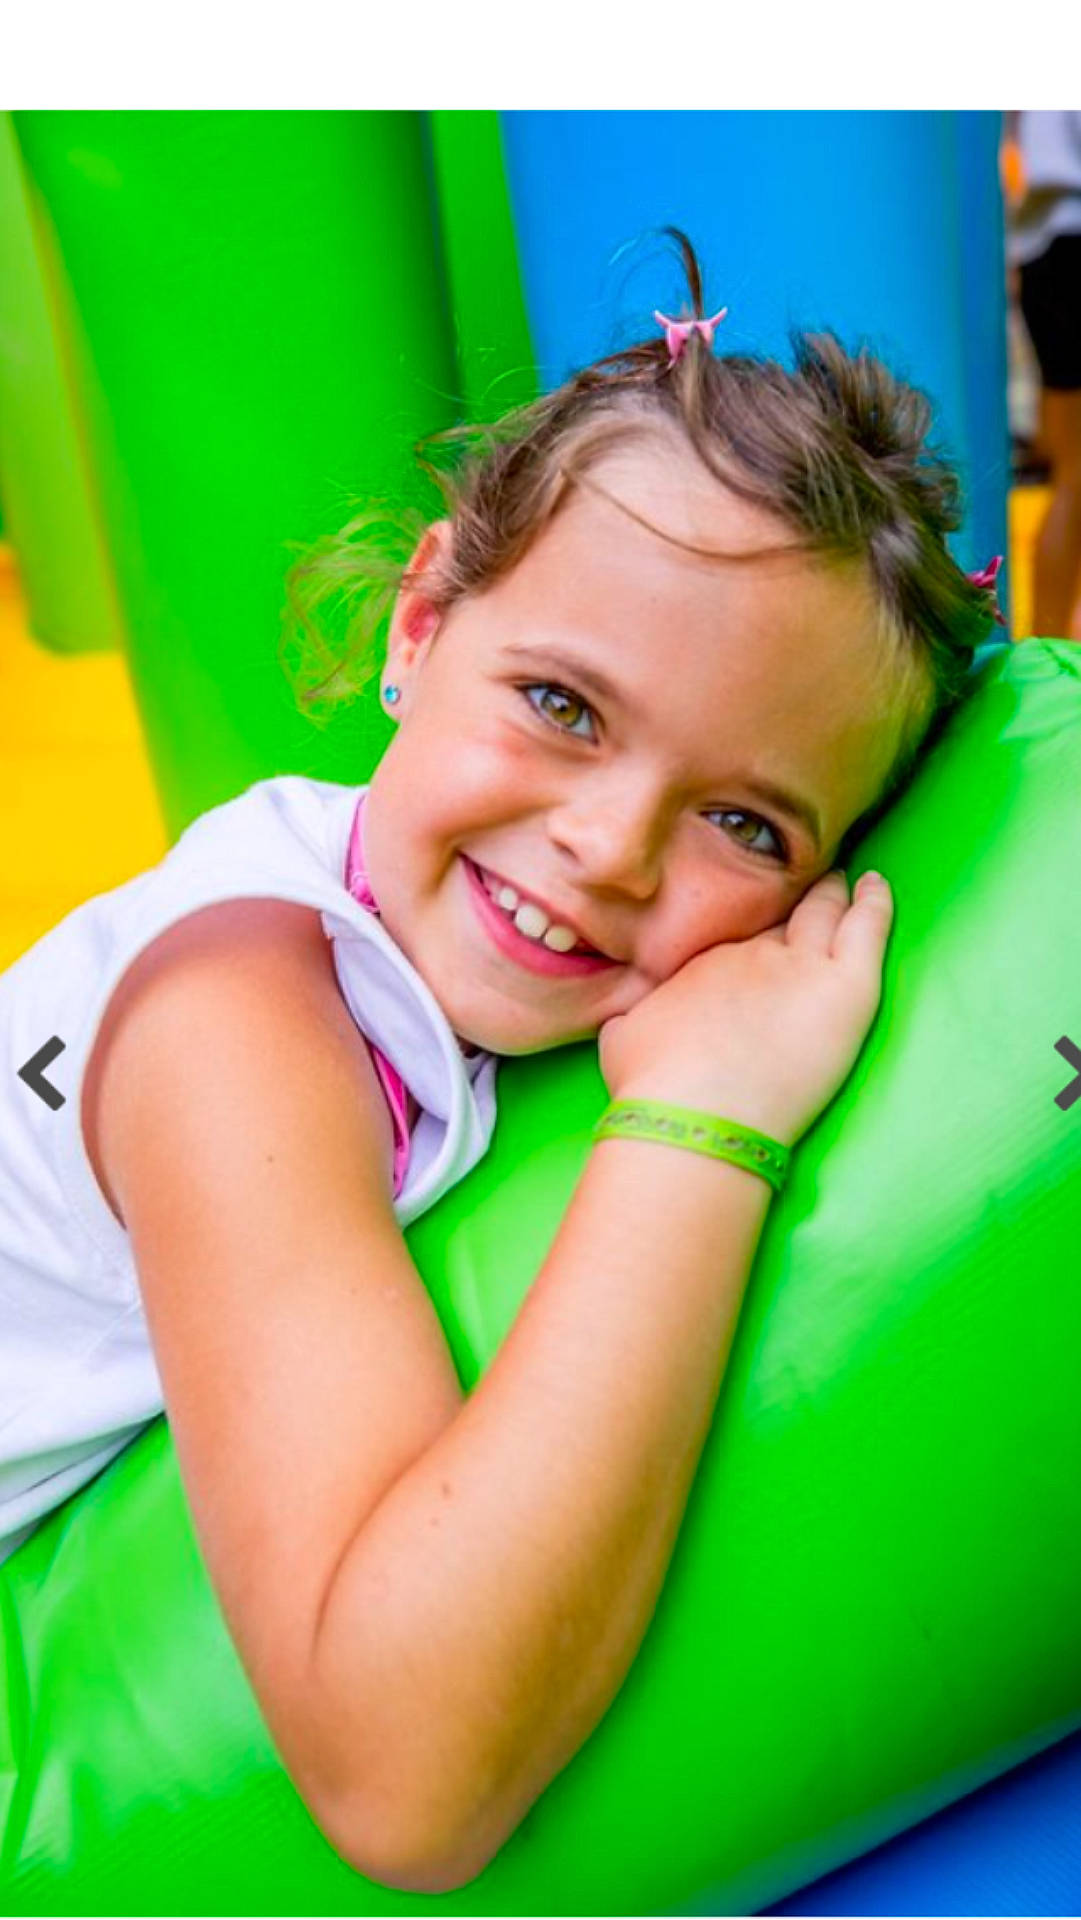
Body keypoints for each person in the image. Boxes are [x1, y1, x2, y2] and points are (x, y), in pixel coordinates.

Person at [0, 232, 1000, 1893]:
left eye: (743, 821)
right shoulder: (241, 1025)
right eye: (561, 703)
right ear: (419, 624)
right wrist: (700, 1133)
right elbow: (406, 1780)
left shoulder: (391, 944)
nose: (610, 848)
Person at [1005, 111, 1081, 639]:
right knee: (1074, 472)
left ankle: (1050, 642)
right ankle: (1051, 641)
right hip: (1066, 239)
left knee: (1070, 467)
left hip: (1045, 249)